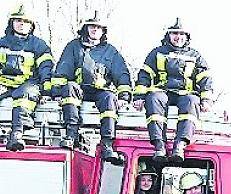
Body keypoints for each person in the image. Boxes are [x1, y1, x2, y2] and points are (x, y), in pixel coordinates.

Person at [51, 12, 132, 164]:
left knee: (109, 99)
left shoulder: (111, 51)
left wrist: (124, 96)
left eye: (99, 28)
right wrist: (55, 92)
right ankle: (71, 135)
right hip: (79, 89)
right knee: (69, 87)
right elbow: (64, 68)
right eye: (92, 27)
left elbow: (122, 74)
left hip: (101, 91)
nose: (95, 30)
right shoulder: (73, 47)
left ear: (103, 31)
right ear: (86, 29)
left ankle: (107, 144)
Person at [134, 19, 212, 162]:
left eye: (182, 34)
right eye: (175, 33)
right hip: (162, 91)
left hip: (185, 93)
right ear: (168, 35)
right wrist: (139, 96)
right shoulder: (157, 53)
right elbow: (145, 74)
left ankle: (180, 145)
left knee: (192, 101)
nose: (178, 37)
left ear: (187, 37)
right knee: (153, 99)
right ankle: (159, 146)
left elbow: (204, 78)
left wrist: (206, 100)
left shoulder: (195, 56)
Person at [0, 5, 54, 152]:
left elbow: (46, 69)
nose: (22, 23)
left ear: (31, 25)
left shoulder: (39, 45)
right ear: (12, 22)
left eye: (25, 21)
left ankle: (17, 135)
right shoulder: (2, 43)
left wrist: (46, 92)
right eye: (18, 20)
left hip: (28, 85)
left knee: (23, 98)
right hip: (4, 84)